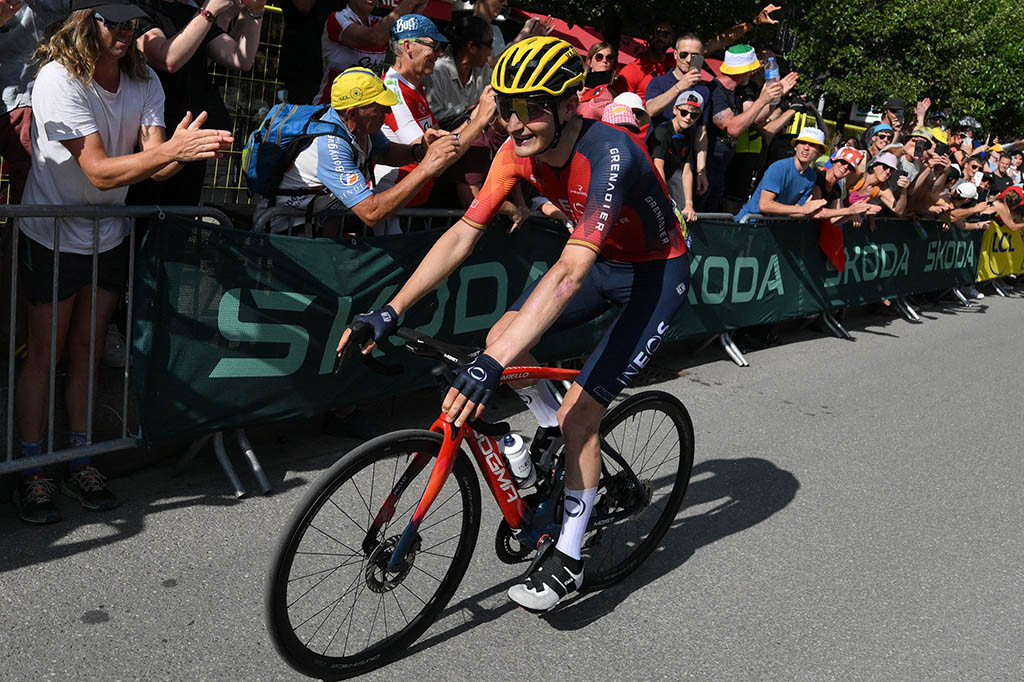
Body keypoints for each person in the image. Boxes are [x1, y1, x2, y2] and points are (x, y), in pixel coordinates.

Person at [338, 37, 690, 612]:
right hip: (602, 263)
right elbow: (461, 235)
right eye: (505, 108)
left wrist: (496, 365)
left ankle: (570, 557)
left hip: (653, 276)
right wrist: (391, 307)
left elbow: (572, 271)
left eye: (531, 108)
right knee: (500, 333)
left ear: (569, 106)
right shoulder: (514, 150)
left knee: (580, 412)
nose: (515, 123)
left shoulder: (612, 154)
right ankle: (549, 429)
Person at [16, 0, 233, 525]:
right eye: (113, 22)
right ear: (86, 21)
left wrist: (182, 152)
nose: (125, 32)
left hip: (109, 231)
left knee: (89, 350)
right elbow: (100, 172)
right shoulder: (57, 78)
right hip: (53, 230)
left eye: (133, 24)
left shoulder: (145, 81)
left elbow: (152, 166)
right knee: (46, 353)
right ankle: (31, 469)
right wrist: (169, 153)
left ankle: (79, 460)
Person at [261, 67, 459, 235]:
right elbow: (371, 213)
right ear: (353, 113)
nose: (388, 112)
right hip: (288, 233)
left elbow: (385, 152)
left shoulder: (359, 126)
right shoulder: (330, 146)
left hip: (318, 226)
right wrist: (426, 168)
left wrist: (420, 150)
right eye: (381, 107)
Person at [130, 0, 265, 206]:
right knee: (142, 220)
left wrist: (254, 11)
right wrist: (210, 11)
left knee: (180, 220)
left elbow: (240, 58)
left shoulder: (190, 12)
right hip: (149, 135)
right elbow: (168, 59)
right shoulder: (139, 10)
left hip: (192, 137)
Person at [375, 14, 496, 213]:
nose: (440, 54)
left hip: (412, 203)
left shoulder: (414, 86)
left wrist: (474, 116)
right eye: (434, 46)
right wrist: (480, 120)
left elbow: (444, 141)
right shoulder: (393, 91)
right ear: (408, 47)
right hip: (393, 208)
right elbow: (434, 160)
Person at [704, 44, 794, 211]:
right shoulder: (715, 91)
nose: (755, 72)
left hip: (722, 165)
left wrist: (775, 96)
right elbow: (732, 127)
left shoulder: (737, 91)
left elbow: (757, 117)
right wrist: (762, 100)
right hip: (707, 166)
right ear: (741, 69)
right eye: (751, 68)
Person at [313, 0, 425, 105]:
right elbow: (374, 38)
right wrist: (410, 1)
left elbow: (409, 30)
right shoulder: (338, 18)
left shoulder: (377, 22)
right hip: (331, 105)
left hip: (365, 108)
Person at [734, 126, 827, 222]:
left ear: (819, 153)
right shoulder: (779, 167)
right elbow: (764, 205)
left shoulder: (812, 177)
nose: (806, 147)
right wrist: (802, 209)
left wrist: (810, 212)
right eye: (803, 142)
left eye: (812, 145)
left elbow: (795, 212)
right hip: (749, 224)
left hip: (772, 227)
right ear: (795, 146)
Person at [648, 89, 703, 221]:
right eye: (684, 112)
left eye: (694, 115)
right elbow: (658, 166)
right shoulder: (663, 131)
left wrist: (688, 204)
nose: (688, 117)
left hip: (668, 180)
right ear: (675, 110)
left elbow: (686, 171)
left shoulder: (687, 135)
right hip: (651, 183)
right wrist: (665, 197)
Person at [611, 21, 674, 97]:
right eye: (656, 33)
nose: (660, 37)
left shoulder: (678, 63)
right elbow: (622, 105)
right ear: (648, 36)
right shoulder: (632, 71)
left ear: (671, 39)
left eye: (666, 34)